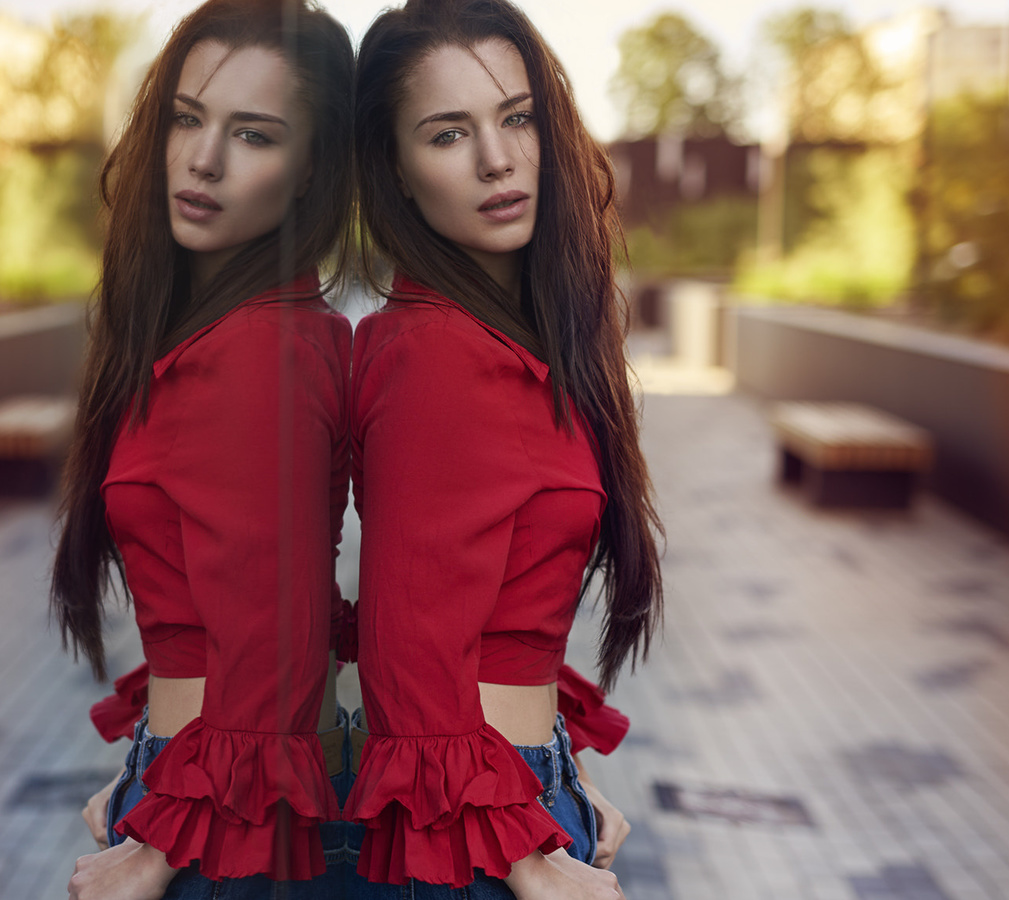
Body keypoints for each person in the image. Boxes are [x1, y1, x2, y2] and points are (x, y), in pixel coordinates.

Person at [343, 0, 664, 896]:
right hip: (475, 839)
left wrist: (567, 770)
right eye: (448, 134)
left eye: (517, 117)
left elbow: (498, 618)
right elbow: (408, 644)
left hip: (509, 801)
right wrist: (526, 860)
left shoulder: (512, 342)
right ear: (396, 169)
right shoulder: (437, 354)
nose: (497, 158)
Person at [47, 0, 357, 897]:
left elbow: (279, 638)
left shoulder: (260, 351)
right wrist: (153, 769)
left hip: (223, 827)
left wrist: (161, 843)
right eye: (187, 118)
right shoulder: (221, 334)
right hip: (205, 794)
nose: (203, 158)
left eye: (254, 135)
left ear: (310, 169)